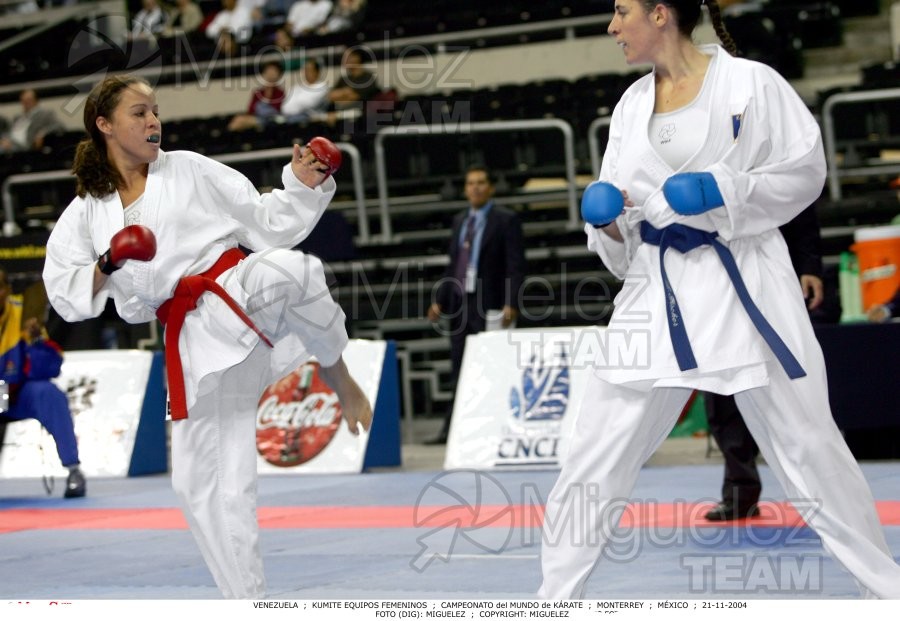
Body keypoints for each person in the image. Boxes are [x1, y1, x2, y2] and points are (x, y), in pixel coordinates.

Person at [538, 0, 900, 599]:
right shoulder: (631, 105)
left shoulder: (750, 82)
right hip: (657, 293)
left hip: (746, 286)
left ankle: (887, 593)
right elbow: (626, 227)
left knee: (810, 446)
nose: (611, 26)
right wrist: (606, 224)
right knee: (592, 453)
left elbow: (806, 171)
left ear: (660, 14)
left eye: (621, 11)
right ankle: (552, 601)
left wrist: (723, 188)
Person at [42, 74, 372, 599]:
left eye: (155, 110)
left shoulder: (190, 168)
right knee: (202, 486)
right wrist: (107, 262)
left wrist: (302, 183)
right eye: (138, 113)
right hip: (191, 339)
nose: (153, 120)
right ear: (104, 125)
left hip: (236, 288)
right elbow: (64, 294)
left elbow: (264, 222)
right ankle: (248, 603)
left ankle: (337, 371)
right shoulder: (85, 213)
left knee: (294, 271)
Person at [704, 203, 825, 521]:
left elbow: (798, 202)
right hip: (714, 282)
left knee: (791, 392)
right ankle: (739, 492)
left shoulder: (768, 153)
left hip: (771, 278)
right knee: (721, 393)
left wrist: (810, 266)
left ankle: (818, 493)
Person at [426, 166, 526, 445]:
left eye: (482, 183)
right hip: (460, 304)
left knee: (493, 365)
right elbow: (454, 265)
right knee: (459, 367)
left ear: (491, 188)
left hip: (491, 302)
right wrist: (441, 301)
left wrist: (511, 301)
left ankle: (496, 429)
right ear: (465, 189)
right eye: (471, 183)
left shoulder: (505, 220)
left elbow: (515, 265)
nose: (476, 188)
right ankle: (452, 431)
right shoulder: (460, 221)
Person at [0, 268, 86, 499]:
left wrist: (37, 340)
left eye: (0, 288)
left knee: (49, 393)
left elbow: (51, 368)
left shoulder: (25, 314)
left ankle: (73, 470)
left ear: (7, 290)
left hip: (16, 394)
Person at [226, 59, 285, 131]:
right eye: (268, 71)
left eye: (273, 71)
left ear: (279, 75)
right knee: (238, 119)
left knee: (240, 121)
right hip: (256, 118)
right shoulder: (258, 92)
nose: (270, 74)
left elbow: (278, 110)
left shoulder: (280, 93)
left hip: (270, 120)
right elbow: (250, 110)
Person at [0, 89, 63, 154]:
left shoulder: (45, 114)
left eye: (28, 100)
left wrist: (43, 133)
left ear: (36, 100)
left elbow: (59, 126)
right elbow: (9, 132)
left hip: (26, 147)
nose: (26, 103)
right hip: (9, 145)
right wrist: (5, 140)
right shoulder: (18, 117)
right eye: (23, 100)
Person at [278, 58, 329, 124]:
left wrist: (296, 104)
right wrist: (298, 105)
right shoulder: (296, 88)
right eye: (305, 70)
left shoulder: (322, 87)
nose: (306, 73)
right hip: (291, 119)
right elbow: (285, 107)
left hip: (313, 122)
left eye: (309, 70)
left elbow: (310, 103)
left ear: (317, 72)